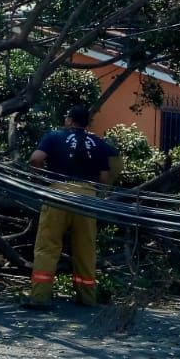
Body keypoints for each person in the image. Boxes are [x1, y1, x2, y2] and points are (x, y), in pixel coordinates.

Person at [26, 105, 120, 308]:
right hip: (87, 198)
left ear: (69, 120)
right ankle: (87, 298)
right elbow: (105, 177)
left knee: (47, 247)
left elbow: (35, 159)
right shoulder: (97, 142)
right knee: (86, 249)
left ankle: (39, 298)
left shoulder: (53, 136)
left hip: (57, 194)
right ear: (86, 123)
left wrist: (37, 181)